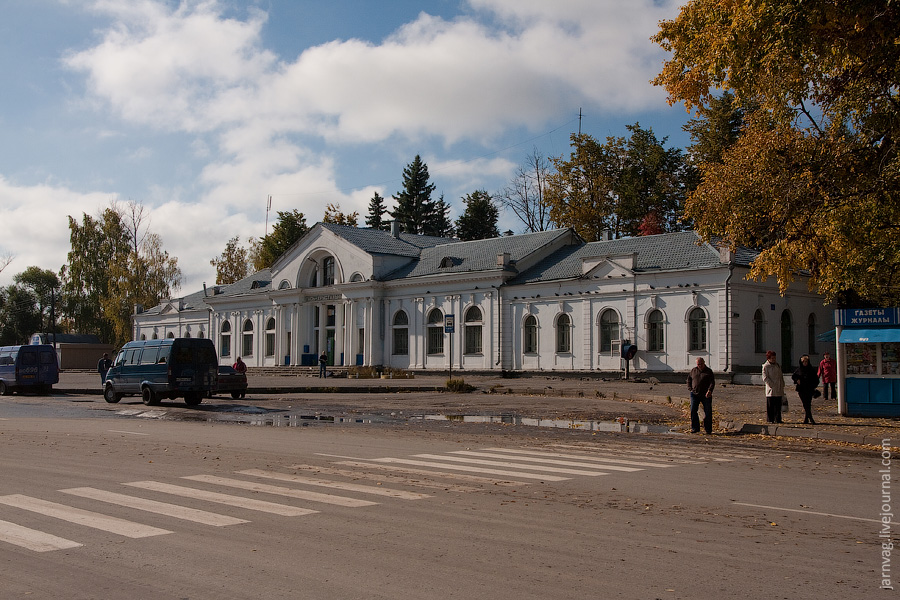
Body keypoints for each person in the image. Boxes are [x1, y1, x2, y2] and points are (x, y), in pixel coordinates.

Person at [686, 357, 715, 434]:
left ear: (704, 363)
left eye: (701, 364)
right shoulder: (693, 370)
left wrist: (710, 390)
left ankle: (708, 429)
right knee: (693, 410)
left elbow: (712, 382)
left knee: (708, 411)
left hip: (706, 395)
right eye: (698, 364)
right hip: (695, 394)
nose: (700, 366)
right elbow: (689, 379)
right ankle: (695, 428)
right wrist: (690, 388)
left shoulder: (708, 371)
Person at [792, 354, 819, 425]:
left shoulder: (811, 370)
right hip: (801, 389)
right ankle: (810, 418)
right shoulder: (799, 370)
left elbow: (816, 380)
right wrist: (797, 380)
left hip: (809, 389)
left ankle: (806, 419)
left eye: (806, 362)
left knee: (808, 404)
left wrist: (813, 386)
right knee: (805, 404)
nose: (805, 363)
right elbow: (794, 376)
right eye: (804, 362)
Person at [762, 350, 785, 423]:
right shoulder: (766, 366)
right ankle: (770, 419)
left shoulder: (777, 365)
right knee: (771, 405)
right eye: (772, 358)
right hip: (771, 389)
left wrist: (782, 384)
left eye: (774, 358)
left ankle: (778, 419)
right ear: (768, 359)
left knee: (778, 405)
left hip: (779, 387)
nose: (774, 360)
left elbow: (780, 376)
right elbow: (765, 377)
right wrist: (771, 384)